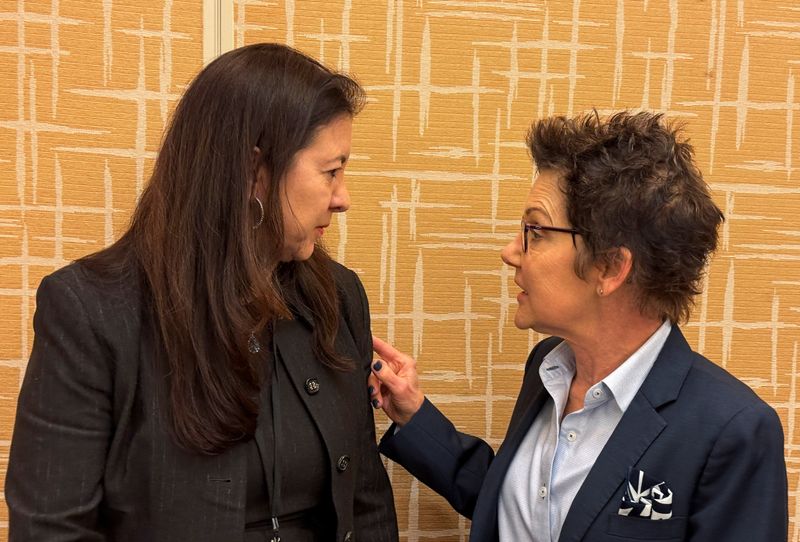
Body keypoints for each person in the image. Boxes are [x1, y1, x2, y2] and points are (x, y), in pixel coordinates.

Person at [6, 43, 398, 542]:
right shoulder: (90, 309)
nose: (343, 198)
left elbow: (366, 504)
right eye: (331, 171)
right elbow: (51, 528)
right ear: (255, 171)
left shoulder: (339, 296)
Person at [368, 111, 788, 541]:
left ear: (609, 267)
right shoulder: (547, 368)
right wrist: (415, 417)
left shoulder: (733, 430)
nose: (510, 251)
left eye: (535, 230)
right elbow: (522, 508)